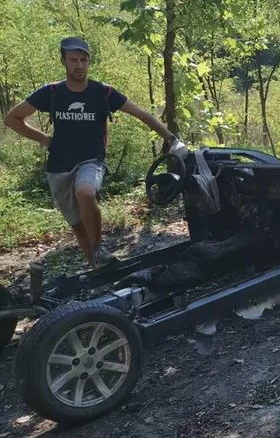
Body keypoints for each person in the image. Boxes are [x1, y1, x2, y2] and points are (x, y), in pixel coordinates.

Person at [4, 37, 188, 269]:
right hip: (58, 167)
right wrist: (43, 139)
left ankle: (99, 248)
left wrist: (172, 140)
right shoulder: (51, 92)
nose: (79, 65)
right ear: (64, 61)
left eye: (84, 60)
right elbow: (12, 118)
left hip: (91, 161)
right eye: (73, 60)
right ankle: (97, 269)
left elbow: (141, 114)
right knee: (78, 226)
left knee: (86, 191)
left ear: (89, 62)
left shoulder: (103, 93)